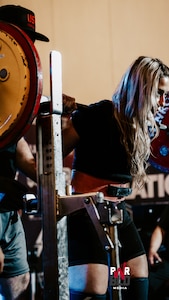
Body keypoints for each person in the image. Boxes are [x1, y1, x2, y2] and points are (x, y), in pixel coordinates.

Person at [62, 56, 169, 299]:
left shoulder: (141, 128)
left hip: (117, 212)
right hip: (86, 211)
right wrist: (60, 116)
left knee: (136, 277)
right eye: (158, 93)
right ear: (141, 89)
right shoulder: (99, 114)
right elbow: (55, 150)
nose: (163, 102)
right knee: (96, 286)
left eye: (167, 95)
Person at [0, 5, 49, 299]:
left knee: (17, 284)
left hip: (7, 208)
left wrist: (51, 178)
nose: (28, 47)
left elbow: (22, 155)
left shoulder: (15, 101)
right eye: (22, 38)